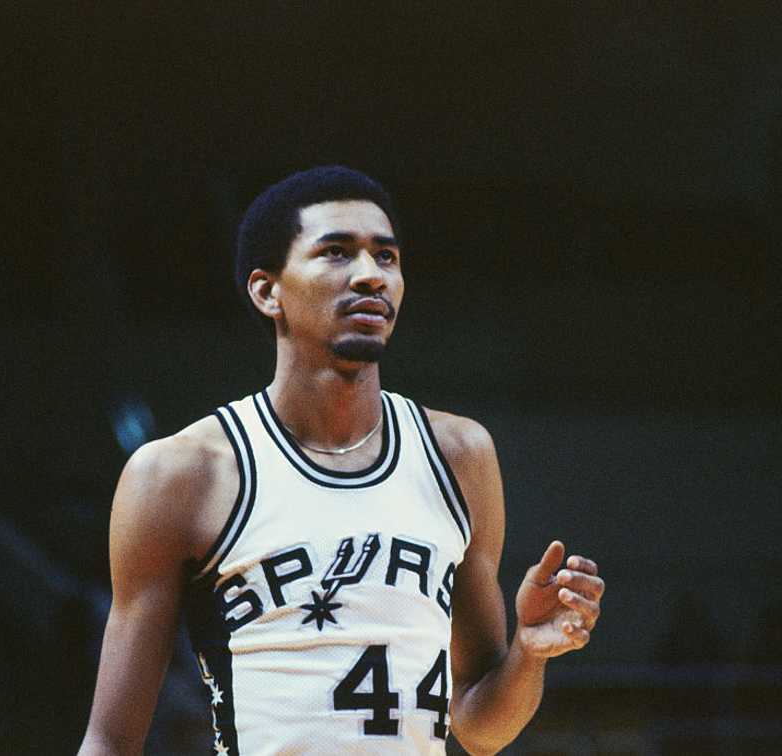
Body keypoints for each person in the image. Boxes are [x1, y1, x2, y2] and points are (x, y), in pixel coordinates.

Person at [79, 166, 604, 755]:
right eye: (336, 253)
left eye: (386, 257)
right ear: (266, 290)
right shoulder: (181, 474)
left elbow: (480, 728)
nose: (369, 276)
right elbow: (109, 740)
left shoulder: (461, 456)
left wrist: (529, 655)